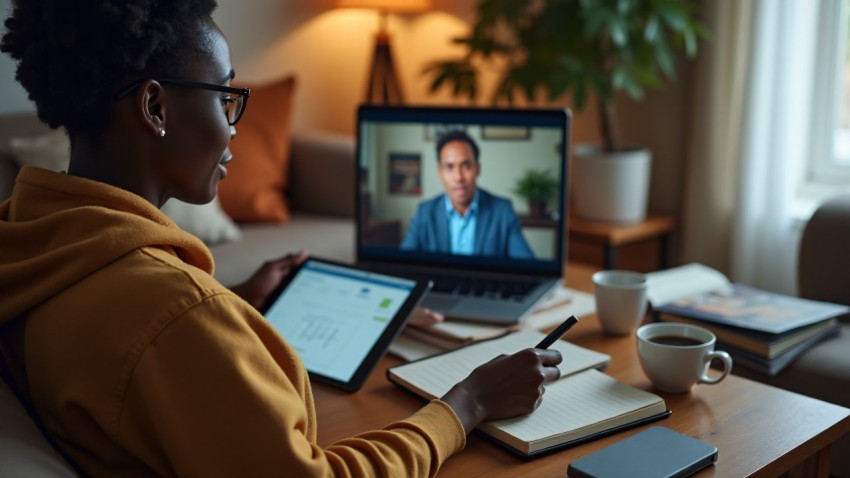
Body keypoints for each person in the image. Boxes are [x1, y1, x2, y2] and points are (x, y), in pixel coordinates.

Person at [0, 1, 562, 476]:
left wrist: (236, 301)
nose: (234, 124)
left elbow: (131, 344)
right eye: (223, 96)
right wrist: (468, 402)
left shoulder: (31, 238)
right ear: (154, 106)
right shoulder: (178, 313)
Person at [401, 130, 535, 259]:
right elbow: (404, 263)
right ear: (440, 173)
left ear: (478, 169)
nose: (458, 177)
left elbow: (526, 266)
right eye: (449, 167)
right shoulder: (424, 212)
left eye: (466, 166)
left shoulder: (503, 211)